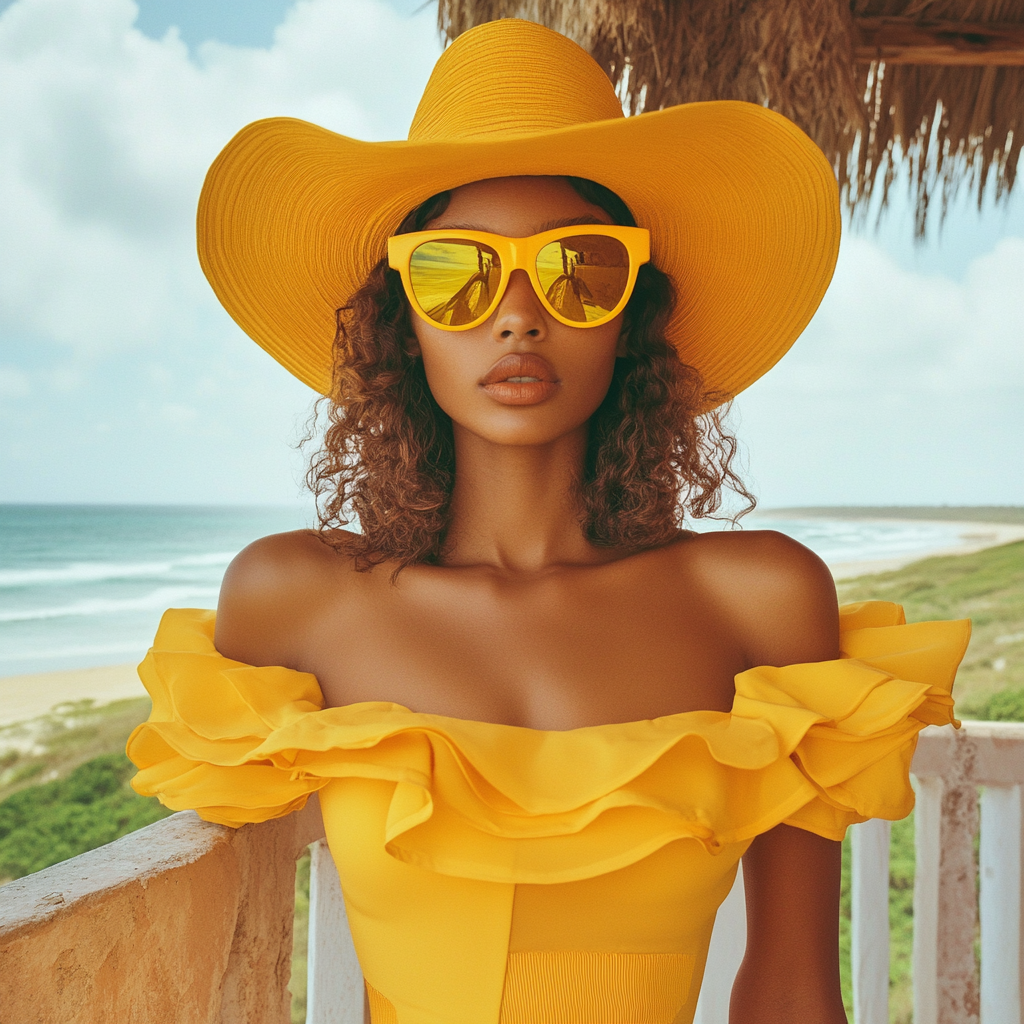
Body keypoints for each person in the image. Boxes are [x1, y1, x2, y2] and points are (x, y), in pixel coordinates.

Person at [127, 19, 968, 1024]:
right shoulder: (290, 600)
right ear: (404, 320)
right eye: (454, 271)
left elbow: (790, 988)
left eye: (580, 269)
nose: (518, 314)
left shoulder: (759, 599)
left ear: (633, 318)